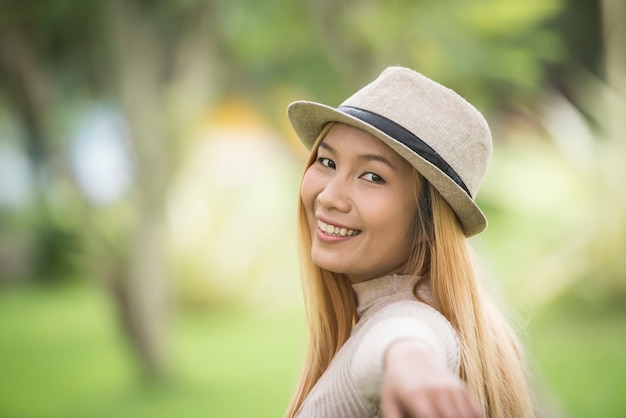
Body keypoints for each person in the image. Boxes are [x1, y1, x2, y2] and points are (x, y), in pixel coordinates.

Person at [284, 67, 535, 418]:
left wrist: (409, 361)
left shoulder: (414, 319)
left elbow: (405, 334)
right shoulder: (382, 314)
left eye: (372, 176)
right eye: (327, 161)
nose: (329, 196)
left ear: (427, 225)